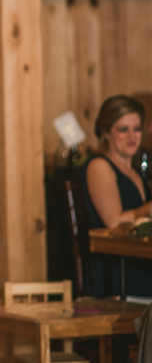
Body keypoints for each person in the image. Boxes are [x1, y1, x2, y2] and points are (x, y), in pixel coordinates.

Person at [84, 95, 152, 297]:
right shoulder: (100, 166)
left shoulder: (136, 170)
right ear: (106, 133)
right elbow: (114, 221)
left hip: (138, 263)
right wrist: (149, 208)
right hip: (117, 272)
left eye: (137, 128)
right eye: (123, 129)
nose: (132, 136)